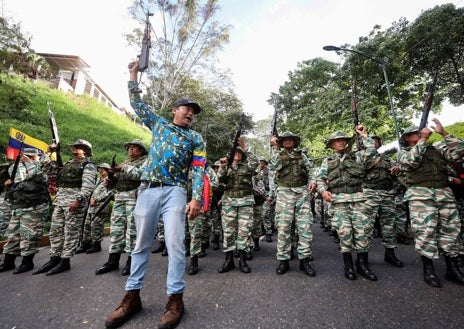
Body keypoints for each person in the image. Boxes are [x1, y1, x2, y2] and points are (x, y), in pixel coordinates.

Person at [104, 61, 205, 329]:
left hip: (175, 191)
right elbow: (137, 104)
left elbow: (198, 169)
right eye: (187, 109)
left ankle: (175, 299)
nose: (191, 114)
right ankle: (132, 297)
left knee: (175, 244)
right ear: (175, 110)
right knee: (140, 245)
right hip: (148, 190)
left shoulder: (196, 138)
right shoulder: (159, 124)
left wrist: (197, 198)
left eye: (194, 112)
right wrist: (133, 74)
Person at [397, 119, 464, 288]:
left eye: (420, 131)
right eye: (414, 133)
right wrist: (423, 141)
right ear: (406, 138)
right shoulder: (404, 152)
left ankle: (453, 269)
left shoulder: (437, 149)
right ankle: (429, 270)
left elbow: (459, 151)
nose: (419, 133)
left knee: (451, 232)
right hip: (421, 196)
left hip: (444, 194)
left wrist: (444, 133)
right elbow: (410, 162)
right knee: (425, 233)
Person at [316, 126, 377, 281]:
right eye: (337, 141)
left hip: (358, 198)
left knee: (362, 232)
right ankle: (348, 266)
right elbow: (320, 179)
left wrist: (364, 135)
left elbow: (371, 152)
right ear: (332, 145)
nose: (341, 143)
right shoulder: (327, 161)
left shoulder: (357, 157)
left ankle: (363, 265)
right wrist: (323, 191)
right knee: (345, 233)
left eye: (343, 140)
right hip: (339, 201)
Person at [33, 139, 97, 275]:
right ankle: (54, 257)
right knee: (55, 231)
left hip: (74, 202)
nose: (75, 149)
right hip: (60, 200)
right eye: (74, 146)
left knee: (70, 232)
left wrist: (78, 200)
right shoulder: (67, 163)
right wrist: (49, 153)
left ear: (85, 150)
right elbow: (45, 168)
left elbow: (88, 185)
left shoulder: (88, 165)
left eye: (79, 147)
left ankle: (65, 260)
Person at [95, 139, 148, 276]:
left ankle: (131, 261)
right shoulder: (125, 162)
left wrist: (122, 169)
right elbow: (116, 182)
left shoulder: (146, 161)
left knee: (132, 230)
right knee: (116, 229)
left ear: (141, 150)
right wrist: (110, 178)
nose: (130, 149)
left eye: (134, 147)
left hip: (135, 197)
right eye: (129, 147)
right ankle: (113, 260)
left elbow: (140, 175)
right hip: (119, 197)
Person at [269, 131, 316, 277]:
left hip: (302, 193)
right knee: (283, 227)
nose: (288, 142)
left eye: (291, 140)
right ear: (281, 143)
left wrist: (313, 180)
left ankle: (304, 260)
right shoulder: (277, 154)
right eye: (285, 140)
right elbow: (273, 167)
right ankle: (283, 260)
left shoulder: (302, 155)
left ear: (294, 142)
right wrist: (275, 148)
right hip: (284, 192)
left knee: (305, 227)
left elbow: (311, 170)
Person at [0, 148, 49, 274]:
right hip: (19, 207)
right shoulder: (17, 169)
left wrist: (28, 163)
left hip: (33, 208)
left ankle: (27, 263)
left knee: (29, 236)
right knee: (12, 236)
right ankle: (8, 262)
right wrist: (9, 186)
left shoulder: (41, 167)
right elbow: (19, 187)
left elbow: (39, 177)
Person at [216, 138, 258, 274]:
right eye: (236, 152)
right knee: (228, 232)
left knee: (244, 232)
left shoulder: (247, 166)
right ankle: (229, 261)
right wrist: (222, 166)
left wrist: (245, 148)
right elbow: (219, 180)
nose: (238, 154)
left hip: (245, 202)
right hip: (229, 202)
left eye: (240, 153)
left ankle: (243, 261)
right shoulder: (226, 166)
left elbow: (255, 163)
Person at [362, 135, 404, 268]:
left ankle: (390, 254)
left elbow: (398, 173)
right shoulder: (362, 157)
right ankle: (363, 256)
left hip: (387, 194)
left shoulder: (387, 159)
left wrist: (396, 170)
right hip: (369, 194)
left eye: (376, 142)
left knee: (389, 225)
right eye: (371, 142)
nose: (374, 144)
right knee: (366, 226)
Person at [76, 163, 114, 254]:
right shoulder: (98, 180)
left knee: (96, 227)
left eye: (103, 169)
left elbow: (110, 193)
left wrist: (96, 199)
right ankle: (85, 245)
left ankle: (96, 245)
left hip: (100, 206)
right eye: (100, 169)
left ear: (108, 170)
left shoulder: (110, 180)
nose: (101, 171)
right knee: (87, 226)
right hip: (91, 207)